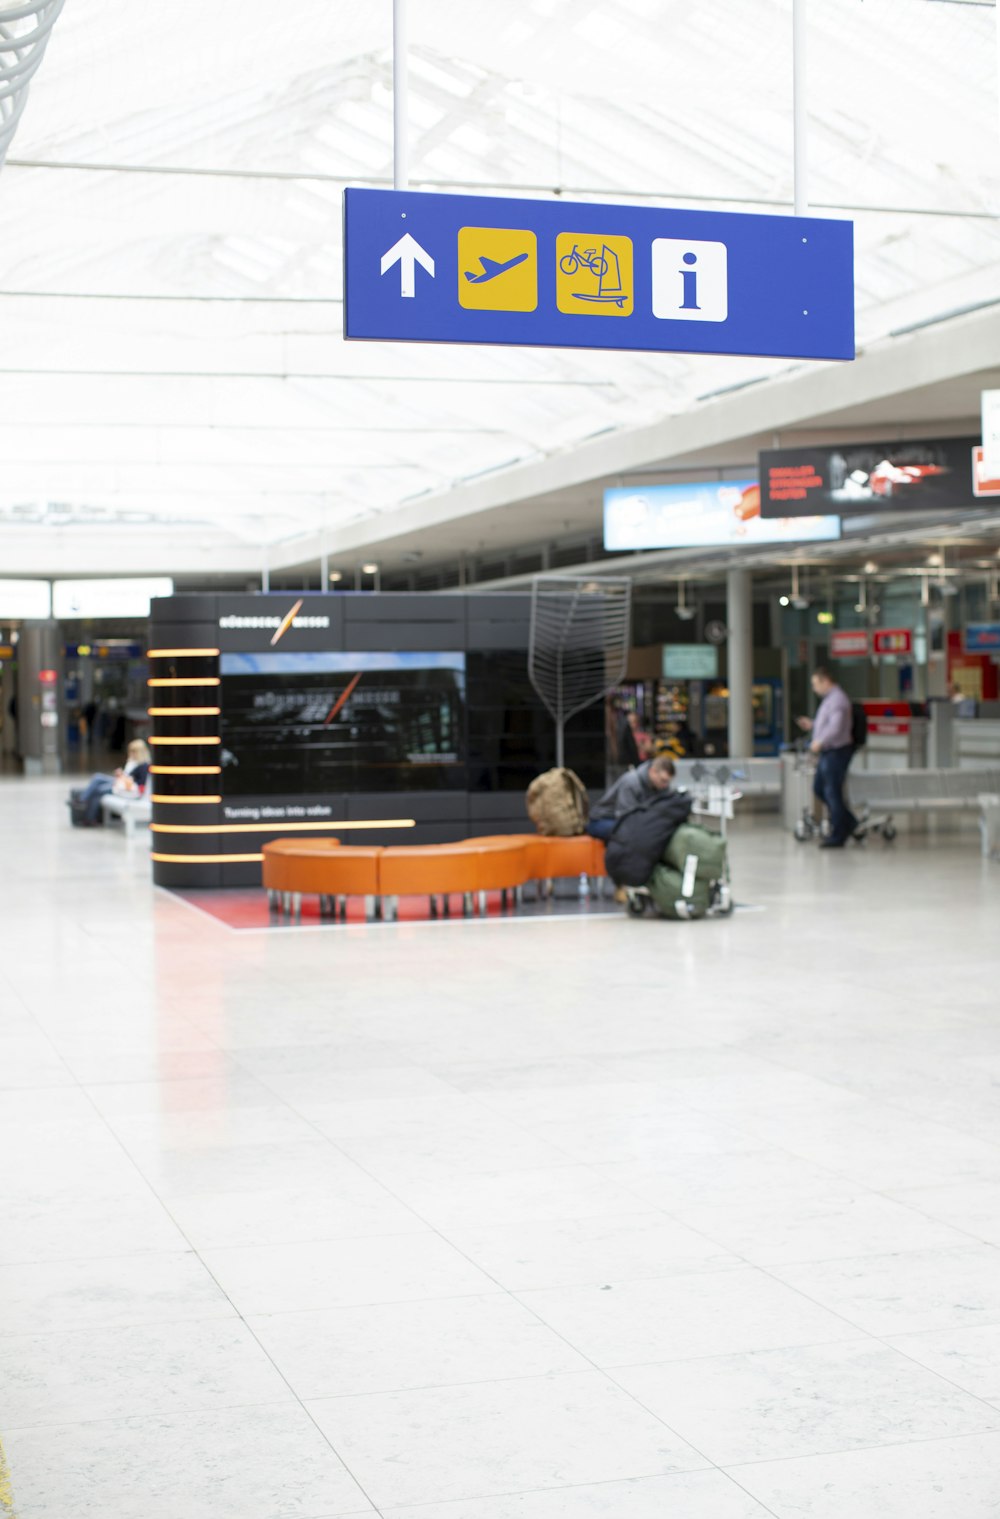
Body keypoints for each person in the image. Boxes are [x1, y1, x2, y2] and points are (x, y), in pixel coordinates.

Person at [796, 668, 859, 848]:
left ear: (825, 681)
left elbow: (836, 728)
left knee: (832, 792)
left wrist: (819, 741)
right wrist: (813, 725)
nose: (814, 689)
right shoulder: (830, 700)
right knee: (819, 789)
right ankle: (850, 823)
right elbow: (828, 724)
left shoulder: (838, 700)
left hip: (836, 752)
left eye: (815, 684)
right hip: (828, 752)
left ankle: (839, 834)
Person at [586, 754, 677, 841]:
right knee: (631, 833)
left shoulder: (660, 786)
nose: (665, 785)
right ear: (652, 771)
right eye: (663, 780)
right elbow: (626, 817)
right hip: (603, 820)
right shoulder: (631, 782)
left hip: (626, 819)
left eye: (667, 782)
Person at [69, 739, 151, 826]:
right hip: (121, 784)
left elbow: (139, 785)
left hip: (128, 791)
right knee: (98, 778)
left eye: (133, 751)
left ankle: (87, 814)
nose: (131, 753)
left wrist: (124, 778)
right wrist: (122, 775)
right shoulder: (132, 762)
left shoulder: (143, 766)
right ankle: (83, 802)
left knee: (98, 790)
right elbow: (129, 776)